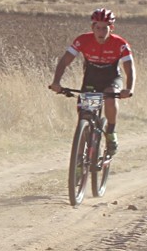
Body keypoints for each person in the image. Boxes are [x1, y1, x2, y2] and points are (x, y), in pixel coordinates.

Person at [50, 8, 135, 157]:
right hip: (92, 78)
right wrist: (56, 82)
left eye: (105, 28)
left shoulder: (120, 44)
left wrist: (129, 88)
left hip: (112, 78)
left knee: (110, 97)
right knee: (85, 113)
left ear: (111, 28)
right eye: (98, 28)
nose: (101, 32)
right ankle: (82, 149)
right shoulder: (83, 40)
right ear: (92, 28)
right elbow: (65, 61)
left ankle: (110, 132)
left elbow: (129, 68)